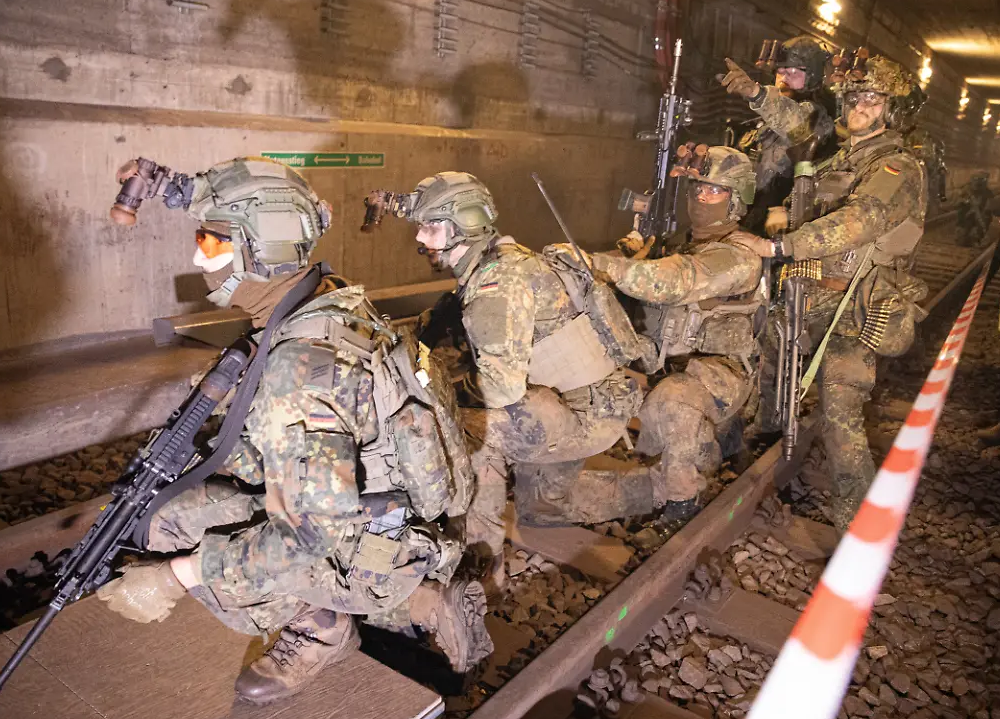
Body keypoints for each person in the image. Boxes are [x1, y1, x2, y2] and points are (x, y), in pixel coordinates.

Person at [96, 157, 493, 705]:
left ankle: (326, 628)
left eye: (213, 244)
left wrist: (174, 578)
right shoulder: (327, 299)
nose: (198, 258)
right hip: (395, 515)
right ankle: (421, 601)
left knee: (170, 530)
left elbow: (310, 538)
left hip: (369, 545)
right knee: (186, 491)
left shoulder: (300, 370)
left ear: (260, 253)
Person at [376, 172, 643, 589]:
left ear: (463, 225)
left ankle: (480, 557)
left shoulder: (496, 286)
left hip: (583, 414)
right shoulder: (499, 259)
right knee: (540, 508)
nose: (422, 240)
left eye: (431, 228)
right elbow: (439, 325)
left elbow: (501, 389)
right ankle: (652, 487)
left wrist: (429, 394)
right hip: (586, 399)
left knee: (462, 430)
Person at [725, 56, 929, 531]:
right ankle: (763, 458)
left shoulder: (897, 167)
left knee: (840, 418)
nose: (859, 106)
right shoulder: (843, 157)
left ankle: (858, 528)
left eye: (872, 99)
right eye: (854, 98)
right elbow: (812, 187)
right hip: (808, 295)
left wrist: (781, 243)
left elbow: (860, 221)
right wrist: (784, 216)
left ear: (892, 110)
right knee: (769, 375)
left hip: (855, 311)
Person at [590, 146, 763, 520]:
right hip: (664, 358)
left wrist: (604, 266)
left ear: (737, 200)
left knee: (673, 399)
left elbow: (677, 279)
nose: (703, 198)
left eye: (715, 191)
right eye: (698, 189)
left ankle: (682, 501)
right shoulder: (679, 243)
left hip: (721, 373)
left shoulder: (739, 255)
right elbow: (642, 270)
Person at [718, 36, 837, 235]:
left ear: (813, 76)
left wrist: (756, 93)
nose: (783, 78)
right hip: (751, 218)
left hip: (788, 225)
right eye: (780, 72)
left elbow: (795, 123)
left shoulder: (818, 117)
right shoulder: (768, 119)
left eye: (792, 72)